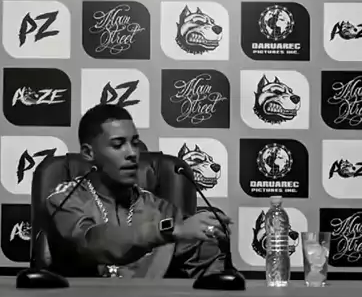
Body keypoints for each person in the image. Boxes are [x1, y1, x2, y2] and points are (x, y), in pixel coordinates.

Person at [45, 103, 231, 279]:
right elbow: (92, 241)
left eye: (135, 143)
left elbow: (206, 269)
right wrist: (169, 230)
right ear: (88, 153)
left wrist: (211, 235)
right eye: (118, 145)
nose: (132, 153)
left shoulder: (161, 210)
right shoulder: (65, 198)